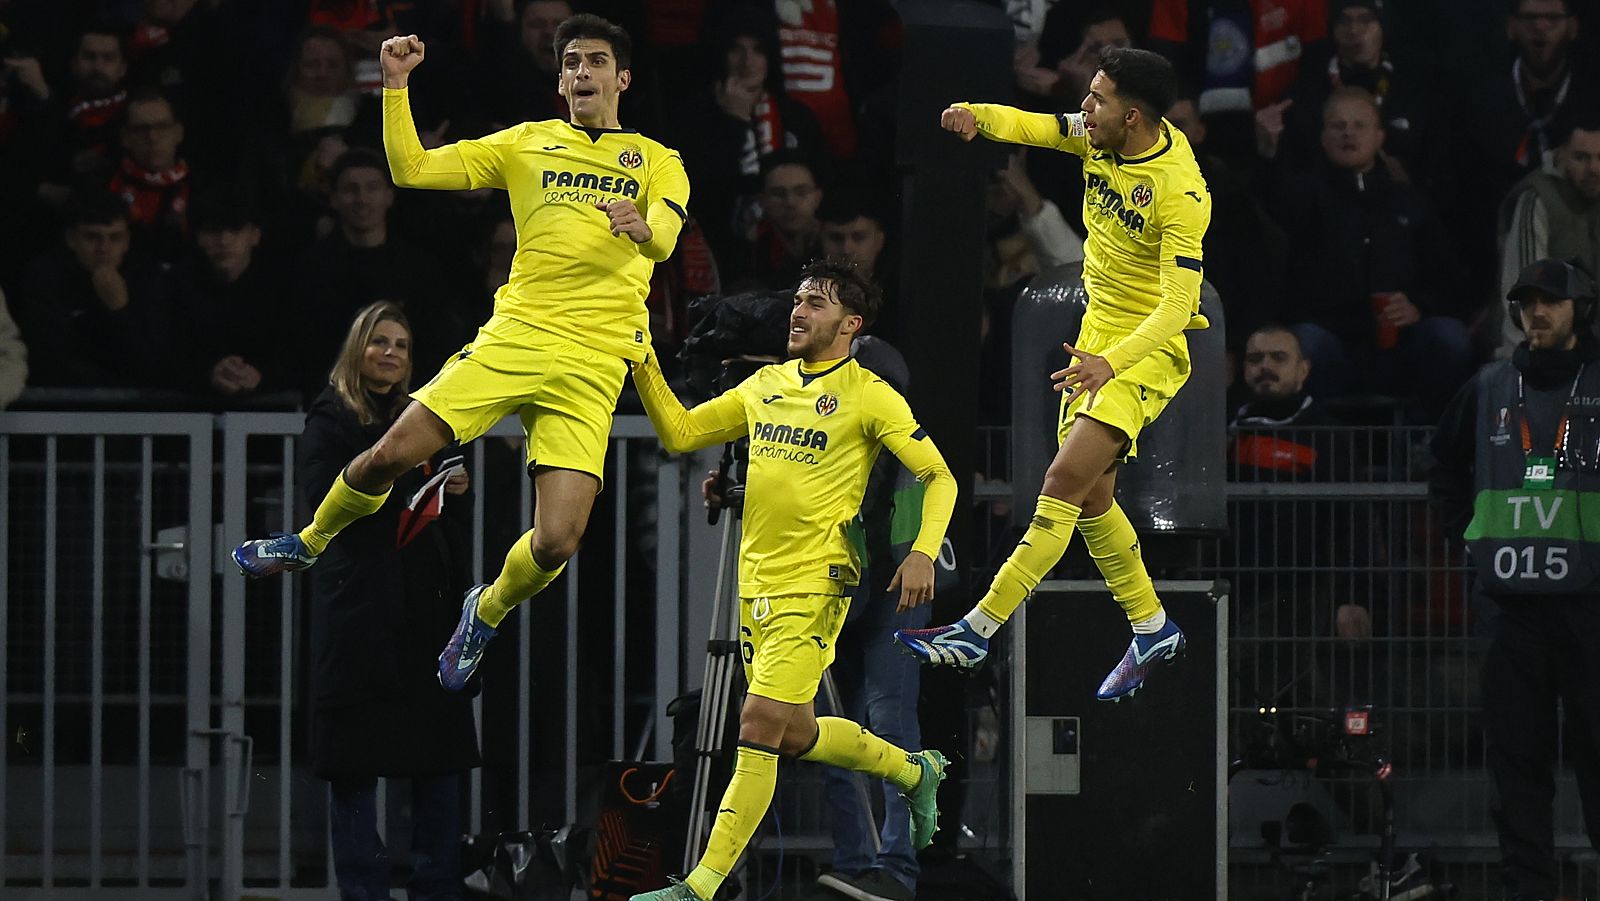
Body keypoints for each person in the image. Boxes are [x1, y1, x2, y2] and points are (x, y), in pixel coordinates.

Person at [233, 14, 691, 698]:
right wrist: (395, 85)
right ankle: (309, 539)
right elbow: (411, 170)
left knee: (559, 541)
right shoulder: (527, 144)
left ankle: (488, 607)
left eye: (596, 61)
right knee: (387, 454)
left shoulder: (658, 160)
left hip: (594, 362)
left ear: (621, 78)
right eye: (571, 62)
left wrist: (642, 225)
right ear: (560, 79)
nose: (582, 72)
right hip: (517, 337)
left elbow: (666, 240)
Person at [627, 259, 956, 901]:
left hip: (818, 582)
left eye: (817, 304)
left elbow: (939, 475)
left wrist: (921, 552)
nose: (798, 312)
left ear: (849, 324)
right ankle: (914, 773)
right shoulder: (765, 385)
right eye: (798, 300)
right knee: (796, 730)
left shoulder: (870, 393)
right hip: (758, 582)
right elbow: (682, 432)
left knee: (755, 724)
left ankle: (698, 886)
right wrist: (643, 363)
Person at [894, 47, 1210, 703]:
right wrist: (978, 116)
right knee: (1092, 498)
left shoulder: (1180, 192)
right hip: (1096, 339)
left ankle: (978, 628)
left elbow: (1179, 307)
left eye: (1095, 99)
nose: (1083, 108)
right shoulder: (1101, 137)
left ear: (1132, 114)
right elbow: (1038, 126)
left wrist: (1111, 363)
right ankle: (1152, 626)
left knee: (1062, 481)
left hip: (1142, 352)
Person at [1429, 259, 1600, 901]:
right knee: (1515, 764)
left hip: (1590, 608)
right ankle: (1529, 891)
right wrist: (1466, 539)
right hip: (1512, 609)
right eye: (1527, 303)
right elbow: (1443, 467)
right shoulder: (1491, 384)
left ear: (1580, 309)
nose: (1537, 313)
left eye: (1551, 302)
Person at [299, 301, 479, 901]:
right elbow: (329, 499)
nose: (391, 354)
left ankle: (437, 888)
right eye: (379, 342)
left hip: (425, 612)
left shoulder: (426, 415)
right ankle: (364, 892)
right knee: (352, 765)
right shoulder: (329, 418)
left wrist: (455, 487)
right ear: (357, 348)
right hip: (361, 612)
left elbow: (446, 519)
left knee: (440, 760)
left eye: (401, 345)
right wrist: (408, 479)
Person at [1262, 87, 1471, 416]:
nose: (1348, 132)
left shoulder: (1409, 199)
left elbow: (1448, 278)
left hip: (1402, 342)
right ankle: (1324, 446)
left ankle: (1429, 446)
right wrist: (1268, 154)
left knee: (1449, 338)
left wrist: (1418, 307)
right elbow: (1272, 217)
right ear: (1322, 138)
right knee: (1305, 342)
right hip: (1332, 341)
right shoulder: (1301, 195)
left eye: (1359, 125)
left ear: (1379, 137)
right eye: (1338, 125)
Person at [13, 192, 182, 388]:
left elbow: (157, 365)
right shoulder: (45, 276)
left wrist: (120, 311)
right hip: (64, 402)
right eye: (92, 237)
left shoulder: (148, 277)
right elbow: (47, 357)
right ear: (71, 239)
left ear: (127, 241)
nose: (104, 248)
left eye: (115, 238)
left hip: (138, 403)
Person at [1495, 118, 1600, 357]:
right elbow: (1522, 292)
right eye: (1581, 157)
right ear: (1560, 155)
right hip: (1546, 355)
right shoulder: (1537, 200)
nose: (1593, 168)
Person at [109, 87, 194, 264]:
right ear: (125, 137)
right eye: (141, 129)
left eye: (162, 126)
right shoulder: (106, 188)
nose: (152, 137)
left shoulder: (202, 188)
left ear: (178, 133)